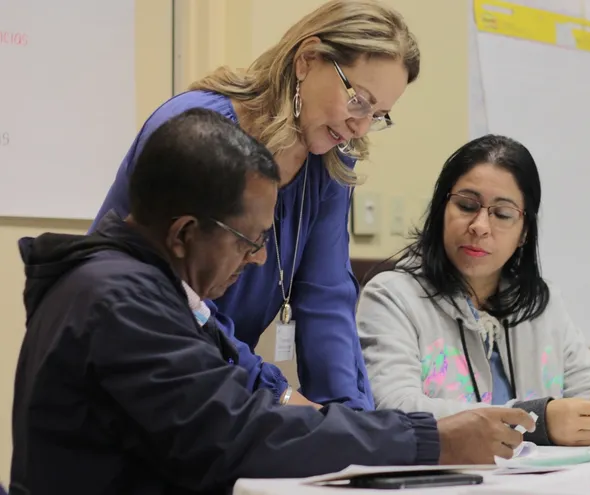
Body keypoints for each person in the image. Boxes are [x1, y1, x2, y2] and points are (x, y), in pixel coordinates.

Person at [10, 110, 535, 495]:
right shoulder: (121, 303)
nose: (260, 258)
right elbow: (238, 434)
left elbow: (251, 394)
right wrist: (429, 440)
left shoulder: (151, 291)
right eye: (251, 240)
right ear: (184, 233)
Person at [88, 0, 420, 410]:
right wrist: (278, 394)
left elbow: (327, 299)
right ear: (307, 60)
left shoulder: (330, 162)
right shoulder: (199, 128)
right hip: (134, 368)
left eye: (378, 114)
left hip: (217, 383)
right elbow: (180, 301)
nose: (361, 126)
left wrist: (351, 417)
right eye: (359, 101)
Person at [356, 135, 590, 447]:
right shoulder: (392, 297)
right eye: (466, 206)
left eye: (502, 214)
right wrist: (535, 421)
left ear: (524, 232)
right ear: (441, 210)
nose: (480, 226)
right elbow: (394, 410)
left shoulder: (541, 303)